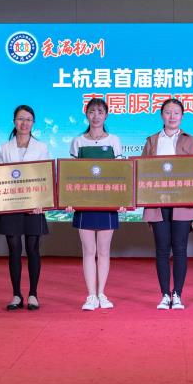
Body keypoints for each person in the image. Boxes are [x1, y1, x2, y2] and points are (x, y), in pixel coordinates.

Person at [140, 98, 193, 310]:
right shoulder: (152, 141)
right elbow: (142, 171)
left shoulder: (191, 141)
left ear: (182, 116)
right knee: (161, 250)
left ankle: (177, 294)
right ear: (162, 115)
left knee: (180, 249)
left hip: (183, 203)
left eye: (176, 112)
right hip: (157, 203)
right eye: (168, 112)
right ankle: (164, 294)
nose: (172, 116)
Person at [0, 105, 50, 311]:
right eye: (20, 119)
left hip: (34, 207)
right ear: (14, 121)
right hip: (10, 206)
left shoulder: (41, 147)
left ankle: (33, 294)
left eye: (28, 119)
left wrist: (42, 202)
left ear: (33, 123)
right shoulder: (4, 148)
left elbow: (45, 177)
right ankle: (16, 294)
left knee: (33, 249)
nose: (24, 123)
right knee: (14, 250)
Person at [69, 98, 123, 311]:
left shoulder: (114, 140)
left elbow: (120, 174)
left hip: (107, 202)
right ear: (87, 114)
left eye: (100, 111)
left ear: (106, 115)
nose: (96, 115)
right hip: (84, 203)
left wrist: (122, 200)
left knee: (104, 250)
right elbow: (71, 175)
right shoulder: (78, 142)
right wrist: (69, 200)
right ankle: (91, 295)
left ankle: (102, 293)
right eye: (92, 111)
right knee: (89, 251)